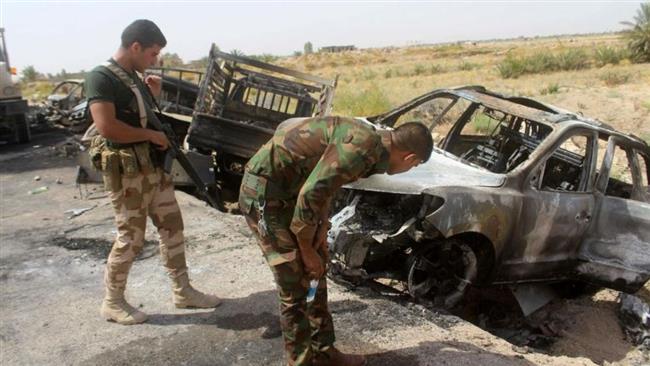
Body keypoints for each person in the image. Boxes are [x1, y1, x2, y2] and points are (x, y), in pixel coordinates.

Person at [239, 116, 433, 366]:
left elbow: (327, 185)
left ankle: (323, 352)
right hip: (264, 197)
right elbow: (311, 192)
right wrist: (306, 248)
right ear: (409, 157)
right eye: (415, 165)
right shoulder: (362, 148)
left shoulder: (372, 146)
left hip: (291, 194)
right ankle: (300, 362)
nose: (411, 169)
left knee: (317, 271)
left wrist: (321, 227)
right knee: (294, 281)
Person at [85, 19, 221, 325]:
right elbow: (108, 127)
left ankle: (183, 291)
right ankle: (113, 302)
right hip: (128, 174)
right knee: (130, 239)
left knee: (173, 228)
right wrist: (150, 136)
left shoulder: (134, 77)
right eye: (153, 53)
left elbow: (140, 119)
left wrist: (153, 98)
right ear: (136, 47)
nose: (155, 60)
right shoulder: (101, 77)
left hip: (153, 169)